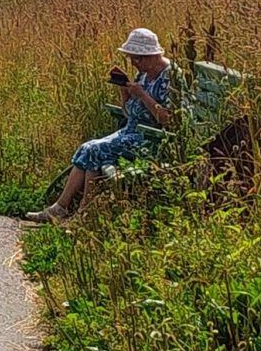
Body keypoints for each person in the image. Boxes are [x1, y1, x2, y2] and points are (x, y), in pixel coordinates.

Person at [25, 28, 177, 223]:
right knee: (88, 148)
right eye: (131, 58)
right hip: (131, 131)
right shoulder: (144, 74)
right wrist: (125, 94)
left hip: (150, 138)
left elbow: (168, 119)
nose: (134, 63)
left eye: (137, 59)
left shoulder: (169, 77)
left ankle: (82, 213)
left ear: (153, 55)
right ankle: (64, 208)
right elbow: (130, 113)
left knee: (95, 150)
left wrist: (142, 95)